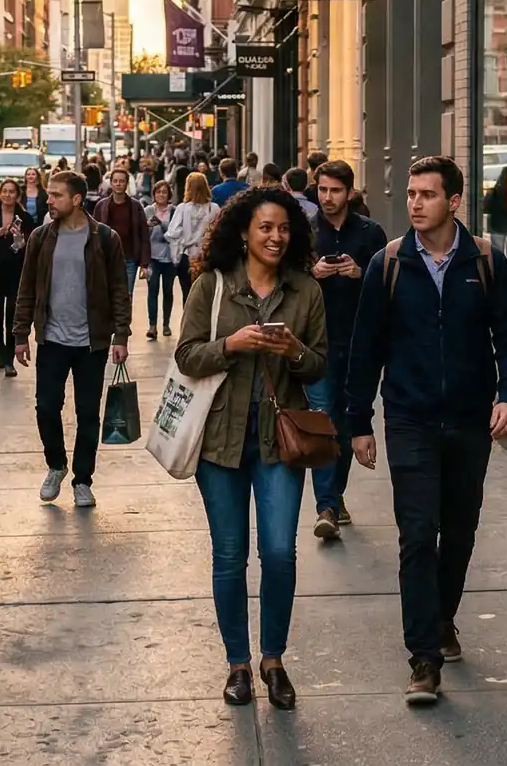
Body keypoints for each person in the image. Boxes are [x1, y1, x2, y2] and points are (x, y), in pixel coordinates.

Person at [344, 155, 507, 706]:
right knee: (417, 534)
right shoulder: (389, 264)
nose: (415, 204)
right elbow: (365, 350)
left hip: (472, 420)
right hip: (410, 419)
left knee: (460, 531)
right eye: (410, 194)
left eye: (427, 194)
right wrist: (358, 422)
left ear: (454, 202)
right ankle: (423, 657)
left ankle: (443, 617)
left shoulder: (485, 262)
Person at [173, 187, 327, 711]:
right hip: (220, 442)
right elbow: (187, 355)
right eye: (265, 227)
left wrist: (295, 350)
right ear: (243, 232)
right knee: (230, 555)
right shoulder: (211, 287)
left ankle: (273, 659)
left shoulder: (305, 291)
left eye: (283, 228)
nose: (275, 237)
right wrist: (230, 346)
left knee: (280, 552)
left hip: (279, 441)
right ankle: (238, 663)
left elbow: (319, 365)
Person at [12, 170, 130, 508]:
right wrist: (21, 335)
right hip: (51, 339)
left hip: (91, 343)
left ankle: (82, 480)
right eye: (49, 194)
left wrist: (120, 335)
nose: (49, 200)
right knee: (46, 408)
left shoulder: (105, 238)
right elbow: (26, 289)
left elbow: (119, 291)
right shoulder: (40, 237)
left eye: (56, 195)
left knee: (87, 413)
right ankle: (56, 465)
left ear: (77, 199)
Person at [308, 160, 389, 539]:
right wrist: (313, 273)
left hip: (359, 344)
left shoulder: (372, 234)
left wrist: (360, 274)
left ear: (349, 192)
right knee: (324, 422)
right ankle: (326, 505)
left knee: (349, 425)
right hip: (319, 343)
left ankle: (335, 493)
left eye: (335, 191)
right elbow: (288, 285)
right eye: (322, 190)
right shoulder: (305, 234)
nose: (327, 198)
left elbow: (387, 289)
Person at [0, 179, 38, 377]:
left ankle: (10, 360)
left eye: (11, 192)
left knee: (13, 315)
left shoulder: (25, 218)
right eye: (4, 191)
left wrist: (20, 243)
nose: (7, 195)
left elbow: (32, 247)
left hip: (16, 272)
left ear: (17, 195)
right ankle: (1, 350)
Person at [93, 168, 151, 314]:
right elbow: (93, 233)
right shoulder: (102, 206)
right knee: (107, 295)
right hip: (106, 258)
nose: (118, 184)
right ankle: (110, 325)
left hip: (129, 258)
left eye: (122, 181)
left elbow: (144, 235)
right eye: (115, 181)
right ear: (111, 183)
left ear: (126, 184)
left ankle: (123, 326)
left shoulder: (136, 206)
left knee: (126, 295)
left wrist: (144, 263)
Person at [144, 180, 184, 338]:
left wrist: (162, 225)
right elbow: (143, 234)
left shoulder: (174, 211)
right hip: (152, 256)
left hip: (169, 257)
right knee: (152, 290)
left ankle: (166, 324)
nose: (161, 195)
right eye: (158, 192)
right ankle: (152, 325)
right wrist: (148, 226)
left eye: (164, 192)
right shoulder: (148, 210)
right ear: (154, 194)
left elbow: (175, 234)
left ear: (169, 195)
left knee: (168, 291)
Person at [170, 172, 216, 304]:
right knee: (207, 295)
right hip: (206, 256)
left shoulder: (182, 208)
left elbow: (172, 233)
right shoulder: (214, 209)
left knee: (188, 294)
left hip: (187, 256)